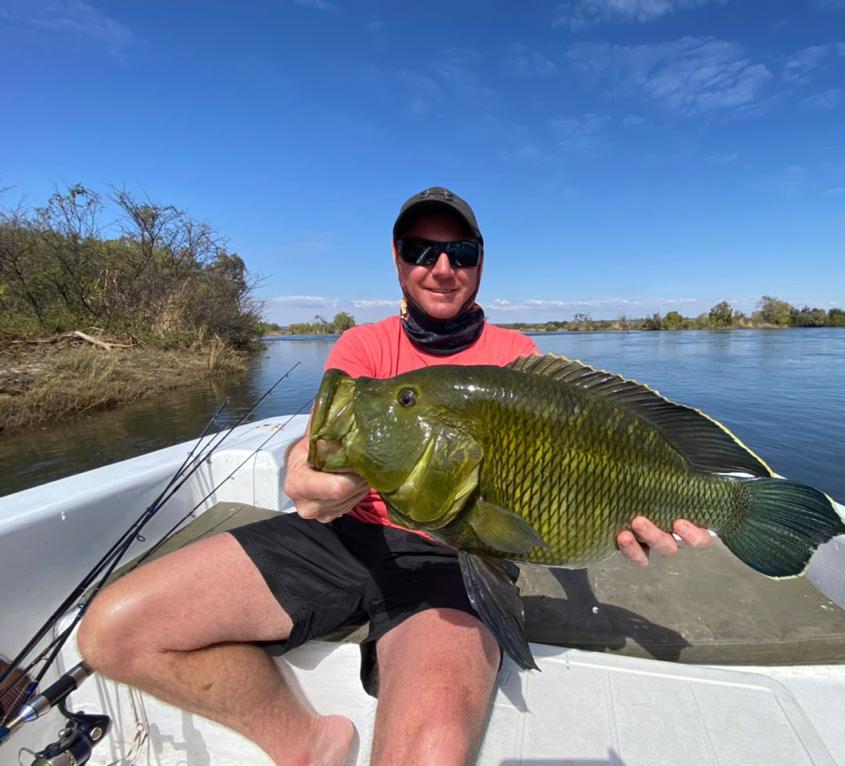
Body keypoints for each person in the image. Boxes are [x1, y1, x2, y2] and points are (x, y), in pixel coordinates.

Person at [78, 187, 712, 766]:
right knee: (113, 633)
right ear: (397, 259)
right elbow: (314, 447)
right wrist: (306, 479)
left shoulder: (519, 362)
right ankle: (307, 742)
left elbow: (555, 500)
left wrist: (626, 522)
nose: (441, 267)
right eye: (421, 250)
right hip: (342, 535)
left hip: (455, 555)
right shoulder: (364, 348)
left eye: (459, 251)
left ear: (480, 261)